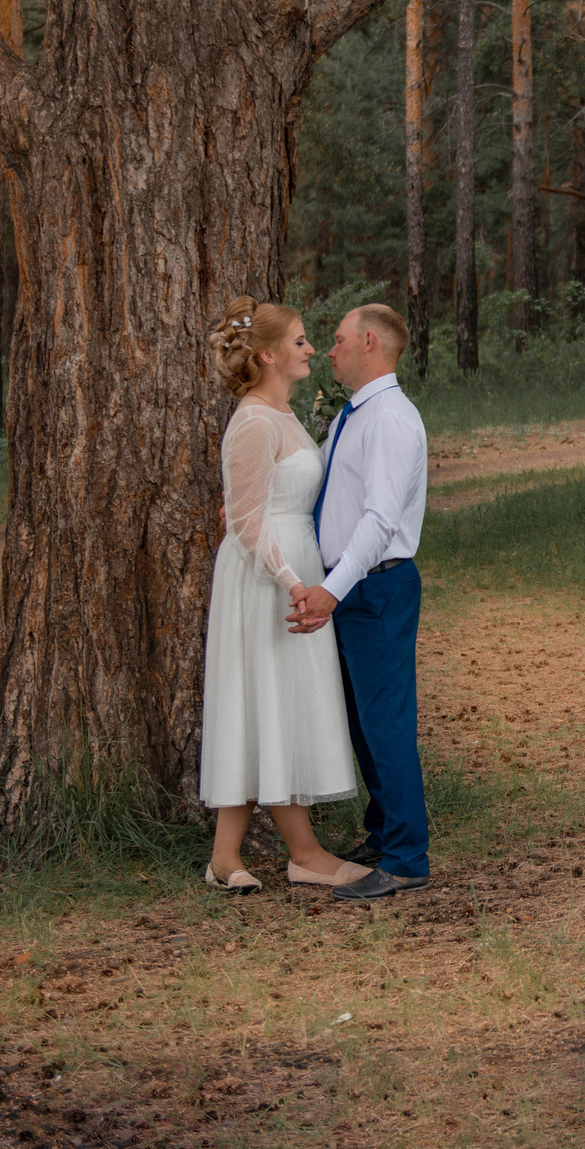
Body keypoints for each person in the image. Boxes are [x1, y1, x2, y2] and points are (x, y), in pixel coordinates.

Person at [198, 298, 372, 893]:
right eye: (299, 341)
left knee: (270, 704)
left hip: (295, 566)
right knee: (266, 701)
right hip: (266, 578)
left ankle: (226, 857)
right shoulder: (252, 421)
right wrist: (295, 583)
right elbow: (246, 522)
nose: (309, 349)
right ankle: (304, 853)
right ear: (268, 354)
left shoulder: (285, 415)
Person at [289, 303, 433, 900]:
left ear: (369, 342)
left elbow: (378, 521)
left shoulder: (391, 421)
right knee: (360, 721)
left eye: (340, 340)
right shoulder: (356, 415)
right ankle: (381, 833)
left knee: (386, 722)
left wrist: (330, 588)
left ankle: (406, 858)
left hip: (375, 586)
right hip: (354, 587)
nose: (329, 349)